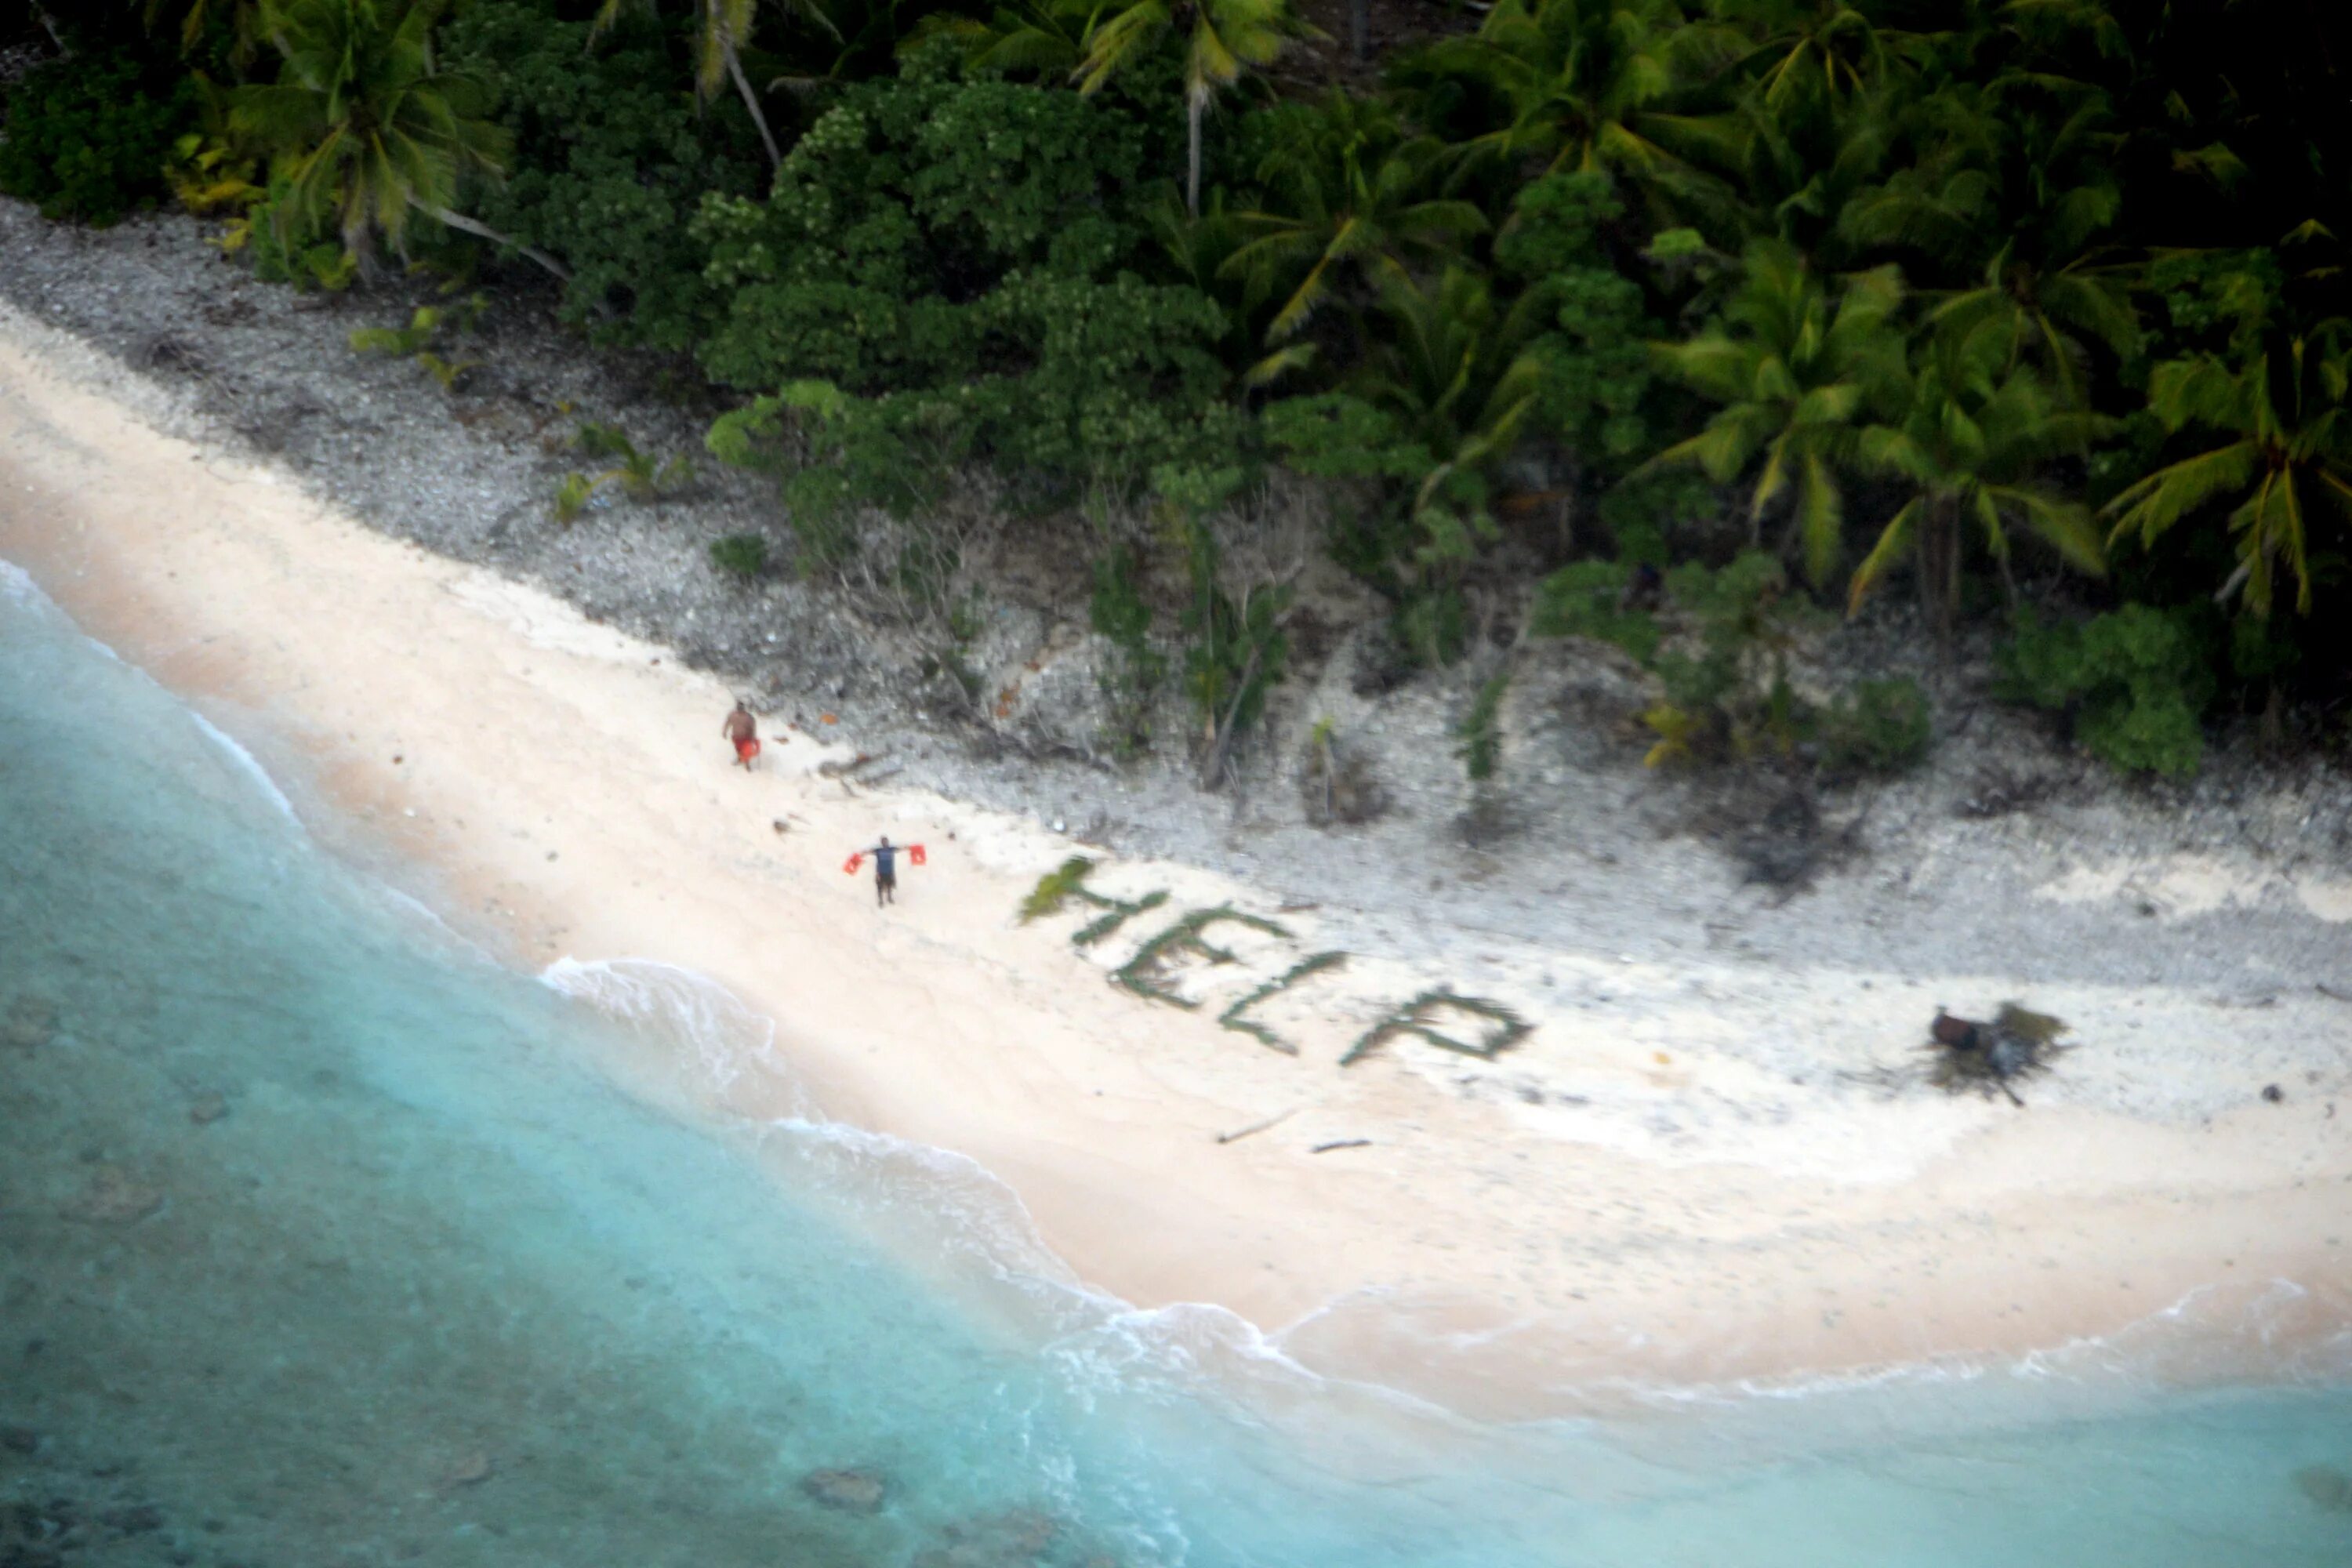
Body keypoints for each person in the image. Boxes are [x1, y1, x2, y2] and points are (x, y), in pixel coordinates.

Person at [858, 835, 900, 906]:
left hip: (890, 872)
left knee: (889, 886)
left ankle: (889, 898)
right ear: (881, 843)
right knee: (880, 887)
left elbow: (901, 848)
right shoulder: (878, 850)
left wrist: (911, 848)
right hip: (880, 872)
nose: (885, 843)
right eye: (883, 842)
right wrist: (863, 853)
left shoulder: (891, 849)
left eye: (886, 841)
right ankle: (881, 901)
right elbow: (869, 851)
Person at [722, 700, 760, 771]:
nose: (740, 709)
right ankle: (739, 759)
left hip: (745, 737)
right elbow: (727, 723)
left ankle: (747, 764)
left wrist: (753, 737)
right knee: (738, 750)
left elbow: (753, 727)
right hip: (736, 737)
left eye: (741, 708)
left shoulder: (748, 717)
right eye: (739, 708)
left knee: (746, 751)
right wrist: (724, 732)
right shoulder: (732, 715)